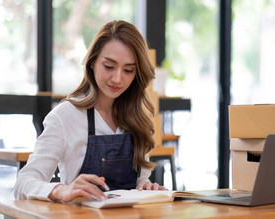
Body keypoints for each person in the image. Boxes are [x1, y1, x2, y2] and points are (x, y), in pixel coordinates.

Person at [14, 20, 166, 202]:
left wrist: (147, 186)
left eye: (128, 70)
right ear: (92, 62)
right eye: (109, 66)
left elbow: (140, 182)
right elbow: (23, 184)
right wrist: (61, 190)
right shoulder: (66, 115)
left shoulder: (139, 118)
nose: (117, 79)